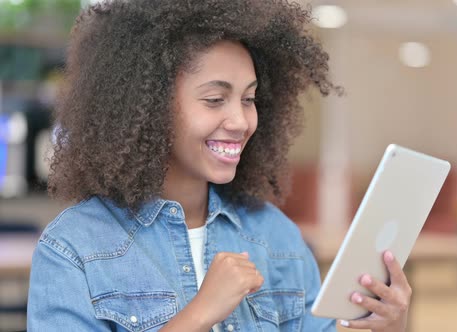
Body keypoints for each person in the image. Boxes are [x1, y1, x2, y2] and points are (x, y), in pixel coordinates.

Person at [27, 1, 412, 331]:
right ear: (146, 107)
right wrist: (199, 314)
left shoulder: (277, 239)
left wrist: (387, 327)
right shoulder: (74, 249)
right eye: (215, 99)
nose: (241, 122)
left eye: (249, 99)